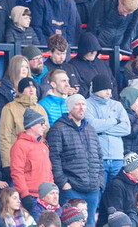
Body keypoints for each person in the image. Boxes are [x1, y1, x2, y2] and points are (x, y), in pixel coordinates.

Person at [46, 95, 103, 226]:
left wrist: (99, 182)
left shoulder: (90, 129)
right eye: (77, 104)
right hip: (72, 188)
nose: (81, 107)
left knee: (89, 224)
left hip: (93, 189)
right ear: (70, 107)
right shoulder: (58, 128)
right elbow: (54, 158)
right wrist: (64, 183)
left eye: (83, 104)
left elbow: (99, 157)